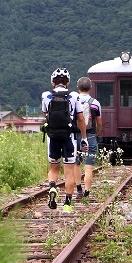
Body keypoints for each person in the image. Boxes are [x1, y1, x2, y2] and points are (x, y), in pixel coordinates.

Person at [42, 68, 87, 213]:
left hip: (53, 138)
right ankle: (67, 204)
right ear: (68, 82)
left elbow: (46, 116)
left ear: (52, 82)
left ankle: (52, 186)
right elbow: (80, 118)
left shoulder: (46, 96)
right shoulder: (74, 96)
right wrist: (84, 138)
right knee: (69, 171)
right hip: (69, 138)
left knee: (54, 168)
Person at [73, 77, 102, 200]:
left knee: (76, 163)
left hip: (75, 136)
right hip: (90, 135)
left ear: (78, 87)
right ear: (90, 88)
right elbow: (99, 122)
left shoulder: (74, 101)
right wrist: (97, 134)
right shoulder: (95, 103)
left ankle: (79, 189)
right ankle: (87, 192)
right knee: (89, 166)